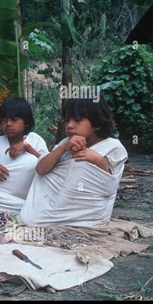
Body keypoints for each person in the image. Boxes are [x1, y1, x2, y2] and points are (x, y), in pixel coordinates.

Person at [20, 97, 128, 227]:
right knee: (30, 219)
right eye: (67, 121)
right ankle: (54, 216)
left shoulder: (113, 147)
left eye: (77, 120)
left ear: (97, 123)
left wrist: (97, 160)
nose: (69, 125)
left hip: (90, 215)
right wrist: (62, 148)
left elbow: (108, 186)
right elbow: (41, 170)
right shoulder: (65, 143)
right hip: (56, 206)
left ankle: (65, 218)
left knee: (80, 163)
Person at [0, 98, 48, 213]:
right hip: (4, 190)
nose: (8, 124)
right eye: (4, 120)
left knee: (32, 162)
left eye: (14, 120)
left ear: (26, 122)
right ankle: (22, 206)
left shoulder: (34, 139)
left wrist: (27, 147)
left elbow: (47, 166)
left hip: (29, 190)